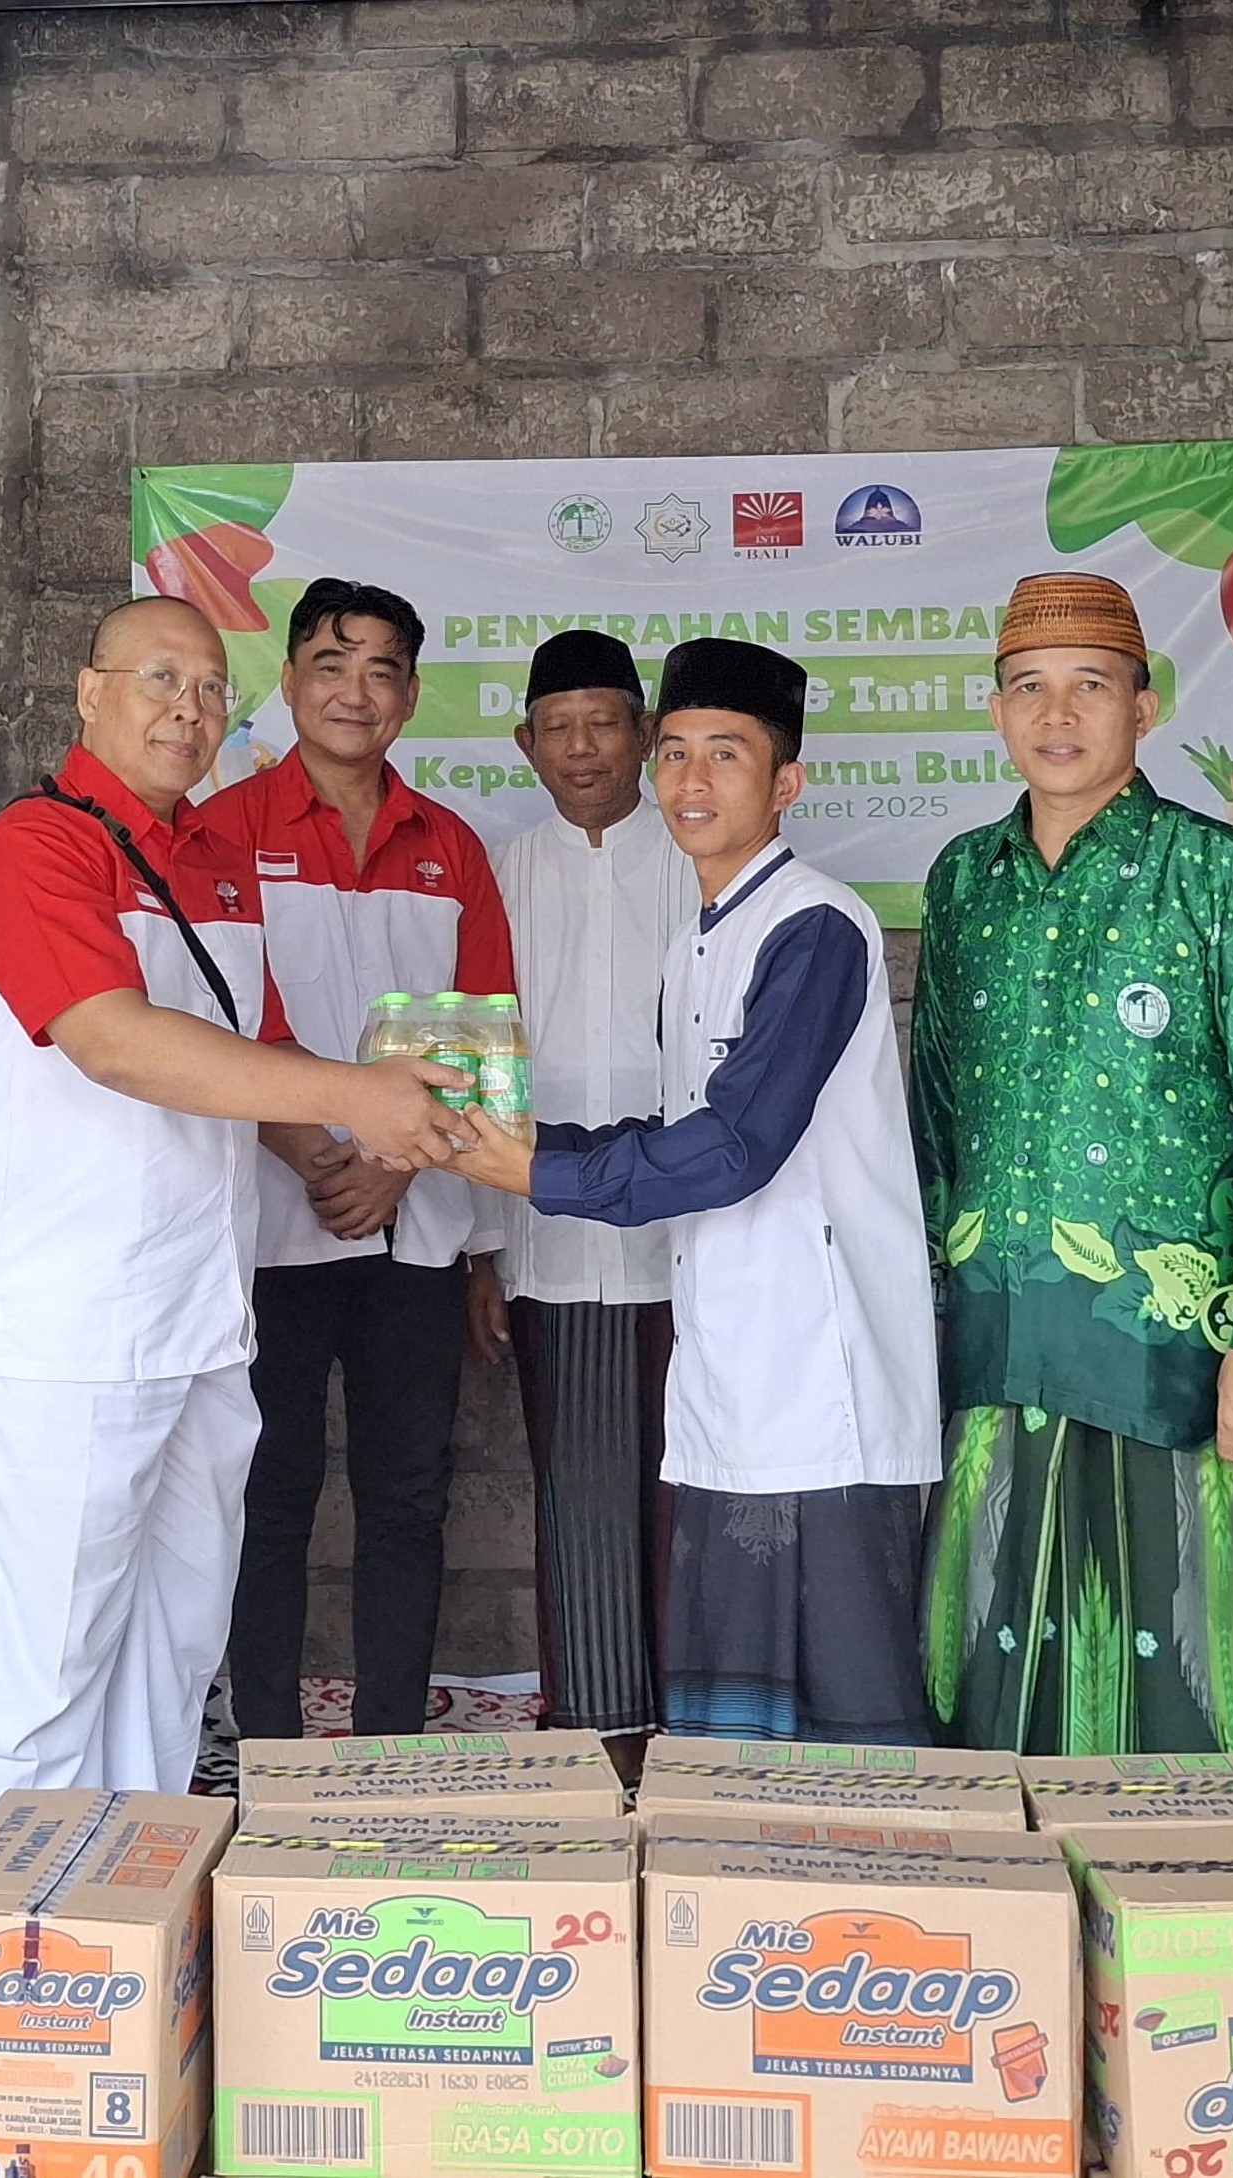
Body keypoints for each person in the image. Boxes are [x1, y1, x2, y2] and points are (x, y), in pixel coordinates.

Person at [0, 595, 470, 1838]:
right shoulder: (36, 846)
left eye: (212, 688)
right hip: (65, 1319)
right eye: (160, 679)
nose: (189, 709)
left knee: (170, 1650)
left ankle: (131, 1910)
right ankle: (16, 1954)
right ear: (88, 691)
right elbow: (113, 1043)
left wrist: (361, 1144)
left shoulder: (211, 857)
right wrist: (351, 1095)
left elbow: (242, 1051)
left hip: (199, 1313)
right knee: (47, 1654)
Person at [454, 638, 941, 1744]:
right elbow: (677, 1130)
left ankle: (878, 1901)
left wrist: (537, 1170)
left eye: (726, 754)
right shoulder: (701, 935)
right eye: (674, 753)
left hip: (822, 1371)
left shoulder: (814, 925)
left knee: (845, 1694)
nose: (690, 780)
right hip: (732, 1362)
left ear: (787, 783)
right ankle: (740, 1892)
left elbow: (735, 1147)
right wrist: (515, 1141)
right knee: (731, 1689)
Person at [913, 571, 1233, 1758]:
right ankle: (1018, 1918)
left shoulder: (1224, 877)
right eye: (1029, 690)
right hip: (998, 1339)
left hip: (1176, 1354)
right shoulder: (963, 882)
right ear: (996, 712)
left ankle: (1182, 1910)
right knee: (995, 1638)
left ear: (1143, 710)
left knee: (1178, 1646)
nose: (1057, 715)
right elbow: (933, 1114)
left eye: (1089, 688)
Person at [199, 578, 517, 1741]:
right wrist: (311, 1151)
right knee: (269, 1496)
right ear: (288, 683)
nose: (356, 690)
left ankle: (390, 1746)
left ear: (411, 697)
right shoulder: (222, 834)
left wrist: (396, 1166)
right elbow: (213, 1025)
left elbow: (479, 1041)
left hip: (416, 1219)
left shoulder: (451, 847)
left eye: (383, 669)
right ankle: (271, 1750)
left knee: (407, 1500)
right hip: (267, 1225)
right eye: (332, 664)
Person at [467, 629, 695, 1753]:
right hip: (547, 1236)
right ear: (525, 744)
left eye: (604, 722)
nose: (582, 747)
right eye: (557, 728)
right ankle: (601, 1729)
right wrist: (481, 1253)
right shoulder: (496, 876)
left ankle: (703, 1721)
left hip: (698, 1236)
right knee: (579, 1491)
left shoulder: (701, 860)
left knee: (700, 1490)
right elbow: (476, 1067)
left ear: (646, 734)